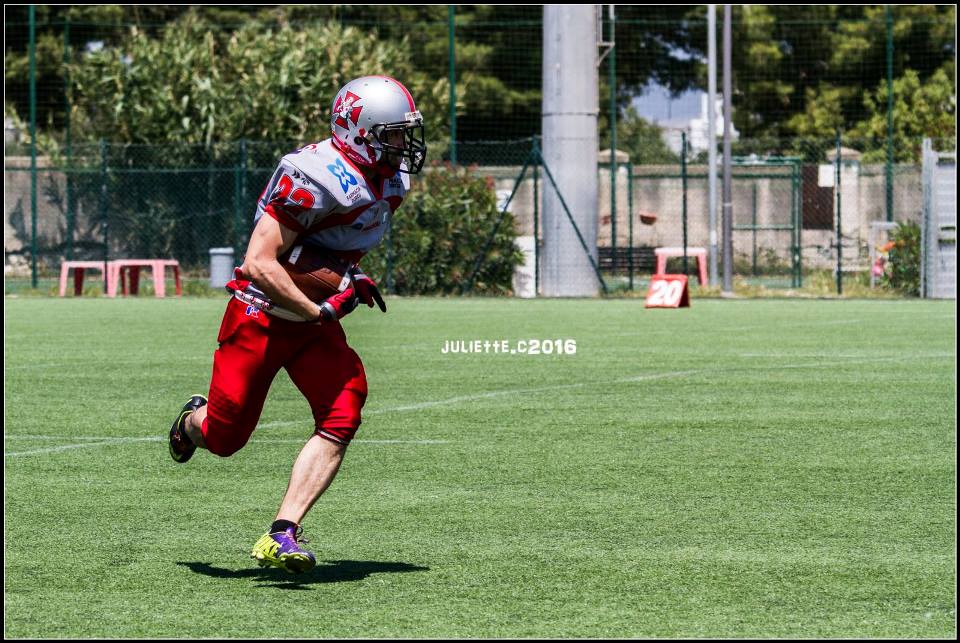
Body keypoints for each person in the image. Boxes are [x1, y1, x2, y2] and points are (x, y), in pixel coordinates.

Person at [167, 76, 427, 574]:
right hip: (261, 314)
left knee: (344, 408)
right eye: (393, 134)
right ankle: (190, 422)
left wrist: (349, 277)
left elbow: (328, 250)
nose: (402, 145)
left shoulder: (391, 180)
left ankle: (282, 532)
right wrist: (319, 308)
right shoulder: (314, 174)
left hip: (311, 320)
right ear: (359, 130)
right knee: (225, 438)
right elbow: (260, 262)